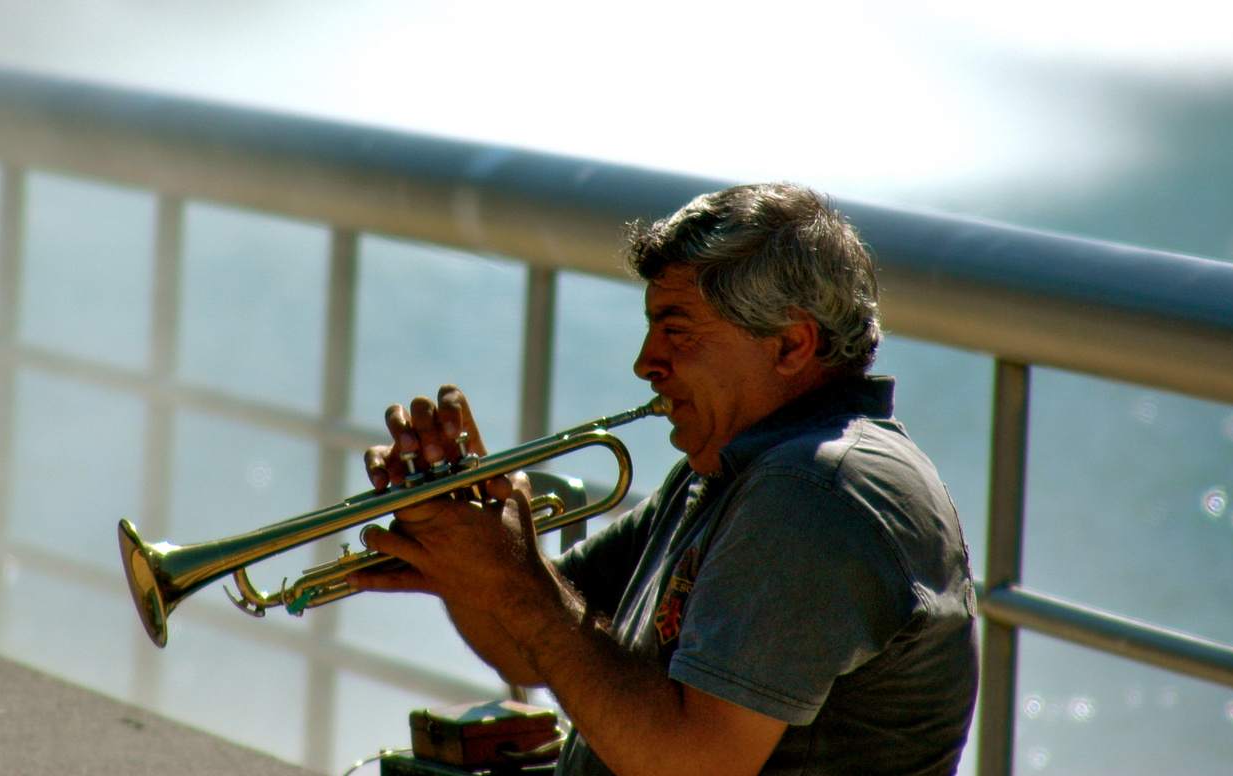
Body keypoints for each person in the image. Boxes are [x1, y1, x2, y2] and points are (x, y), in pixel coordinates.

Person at [350, 183, 979, 776]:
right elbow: (528, 648)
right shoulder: (731, 473)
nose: (646, 362)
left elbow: (685, 763)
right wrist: (459, 535)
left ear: (790, 345)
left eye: (676, 331)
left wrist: (516, 578)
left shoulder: (816, 493)